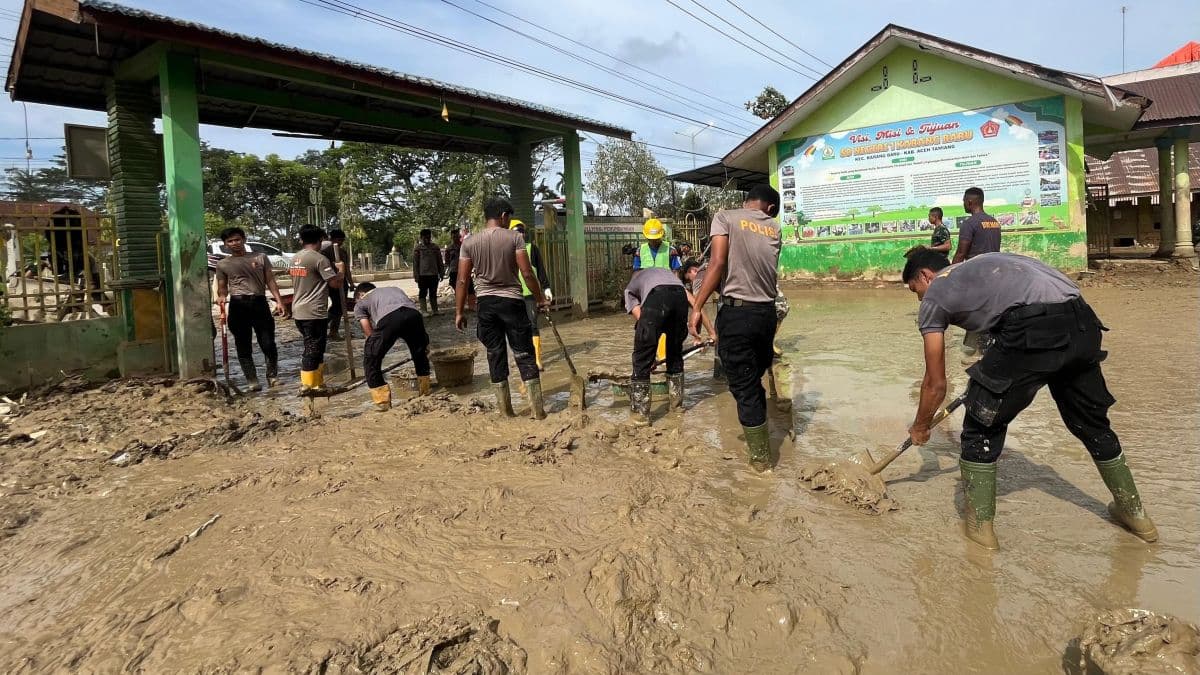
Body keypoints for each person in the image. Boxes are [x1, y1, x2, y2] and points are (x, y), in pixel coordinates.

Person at [902, 249, 1157, 550]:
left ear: (925, 276)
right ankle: (1136, 516)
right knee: (1091, 424)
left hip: (1030, 328)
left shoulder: (936, 293)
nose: (919, 299)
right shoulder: (984, 266)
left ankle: (980, 532)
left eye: (915, 291)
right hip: (1082, 322)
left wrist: (921, 426)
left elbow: (935, 383)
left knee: (980, 426)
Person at [689, 185, 783, 471]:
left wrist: (696, 307)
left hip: (737, 314)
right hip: (767, 314)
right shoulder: (775, 228)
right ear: (769, 209)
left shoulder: (725, 217)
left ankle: (761, 462)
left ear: (747, 202)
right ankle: (764, 436)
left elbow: (717, 262)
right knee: (752, 379)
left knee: (743, 386)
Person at [455, 197, 549, 419]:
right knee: (524, 354)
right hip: (512, 302)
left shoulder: (469, 243)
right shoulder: (514, 238)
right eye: (508, 217)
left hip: (486, 305)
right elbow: (527, 273)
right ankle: (538, 413)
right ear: (504, 216)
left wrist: (459, 312)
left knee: (495, 353)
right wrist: (540, 299)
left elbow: (461, 280)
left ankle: (506, 412)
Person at [214, 227, 285, 390]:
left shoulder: (260, 257)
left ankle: (272, 376)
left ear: (244, 240)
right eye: (230, 241)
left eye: (237, 239)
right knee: (243, 344)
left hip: (259, 303)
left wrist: (280, 301)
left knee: (268, 343)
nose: (234, 243)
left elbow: (271, 281)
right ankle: (252, 379)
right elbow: (222, 287)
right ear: (225, 244)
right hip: (238, 306)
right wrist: (221, 297)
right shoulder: (223, 264)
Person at [623, 267, 690, 426]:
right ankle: (677, 407)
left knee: (641, 359)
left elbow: (640, 318)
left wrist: (648, 351)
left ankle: (640, 416)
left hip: (658, 296)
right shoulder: (663, 273)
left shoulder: (632, 285)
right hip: (681, 295)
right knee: (674, 352)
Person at [353, 282, 431, 411]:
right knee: (420, 355)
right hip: (414, 316)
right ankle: (425, 393)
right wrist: (424, 343)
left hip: (389, 319)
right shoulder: (394, 288)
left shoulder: (361, 303)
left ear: (360, 295)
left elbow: (368, 331)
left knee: (371, 361)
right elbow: (406, 309)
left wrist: (374, 348)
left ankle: (383, 403)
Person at [291, 225, 345, 394]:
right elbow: (335, 284)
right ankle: (308, 386)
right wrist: (341, 271)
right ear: (321, 239)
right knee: (313, 349)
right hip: (314, 311)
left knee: (317, 347)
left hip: (299, 310)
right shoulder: (319, 259)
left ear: (301, 240)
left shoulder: (295, 258)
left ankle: (318, 384)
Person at [952, 188, 1002, 361]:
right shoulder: (994, 222)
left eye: (964, 201)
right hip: (995, 275)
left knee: (975, 313)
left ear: (970, 202)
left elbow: (960, 253)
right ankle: (977, 349)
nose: (963, 204)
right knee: (988, 311)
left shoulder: (969, 223)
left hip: (977, 276)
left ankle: (979, 353)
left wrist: (948, 275)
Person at [508, 217, 552, 370]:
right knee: (516, 327)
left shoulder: (531, 248)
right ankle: (521, 356)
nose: (520, 234)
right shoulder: (507, 251)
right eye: (516, 232)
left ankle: (537, 359)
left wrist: (546, 288)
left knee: (532, 325)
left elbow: (540, 270)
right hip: (513, 294)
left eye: (522, 232)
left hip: (530, 294)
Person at [320, 229, 355, 340]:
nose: (340, 242)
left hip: (342, 282)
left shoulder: (343, 252)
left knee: (341, 307)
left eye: (342, 240)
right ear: (332, 239)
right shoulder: (325, 253)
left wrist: (351, 283)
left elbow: (347, 269)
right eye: (338, 240)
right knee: (337, 307)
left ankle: (333, 331)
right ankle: (325, 327)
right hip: (331, 282)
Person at [412, 228, 445, 315]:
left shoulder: (435, 247)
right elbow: (415, 263)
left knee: (433, 292)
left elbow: (439, 261)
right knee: (423, 292)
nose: (427, 239)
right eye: (425, 237)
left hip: (433, 274)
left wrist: (441, 272)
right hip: (422, 275)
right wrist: (416, 275)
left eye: (428, 237)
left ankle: (435, 310)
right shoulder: (418, 249)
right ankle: (424, 310)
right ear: (421, 237)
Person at [445, 228, 462, 293]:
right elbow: (447, 261)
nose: (455, 238)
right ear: (451, 237)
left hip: (463, 269)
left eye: (457, 236)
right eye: (454, 237)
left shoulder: (464, 246)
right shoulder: (449, 248)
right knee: (455, 286)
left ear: (459, 236)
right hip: (454, 270)